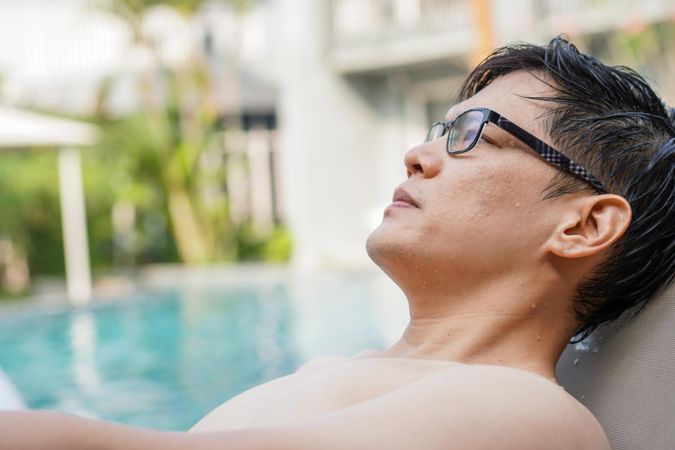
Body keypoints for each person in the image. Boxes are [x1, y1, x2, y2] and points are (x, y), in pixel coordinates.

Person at [1, 35, 674, 450]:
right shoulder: (346, 372)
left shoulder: (527, 413)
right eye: (435, 129)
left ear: (583, 225)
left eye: (472, 134)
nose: (418, 154)